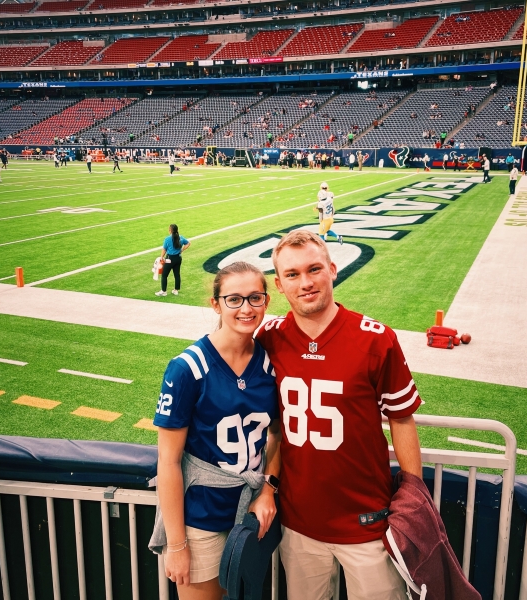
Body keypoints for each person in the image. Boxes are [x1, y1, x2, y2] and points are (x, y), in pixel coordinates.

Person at [255, 230, 423, 600]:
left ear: (333, 269)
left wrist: (414, 497)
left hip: (368, 524)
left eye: (314, 269)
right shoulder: (268, 337)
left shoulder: (375, 339)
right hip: (298, 523)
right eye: (292, 274)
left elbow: (401, 418)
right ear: (279, 285)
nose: (305, 282)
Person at [152, 261, 280, 599]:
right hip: (201, 516)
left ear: (266, 301)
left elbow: (277, 434)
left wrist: (268, 490)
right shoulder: (187, 368)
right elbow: (168, 461)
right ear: (216, 304)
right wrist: (176, 545)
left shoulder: (271, 363)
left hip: (250, 511)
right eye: (234, 299)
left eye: (255, 298)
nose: (246, 308)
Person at [156, 224, 190, 297]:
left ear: (170, 230)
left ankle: (163, 291)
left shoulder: (167, 239)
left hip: (170, 259)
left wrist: (161, 257)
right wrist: (182, 250)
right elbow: (188, 243)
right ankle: (176, 290)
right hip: (178, 258)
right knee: (177, 274)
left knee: (164, 275)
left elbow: (164, 249)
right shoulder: (181, 238)